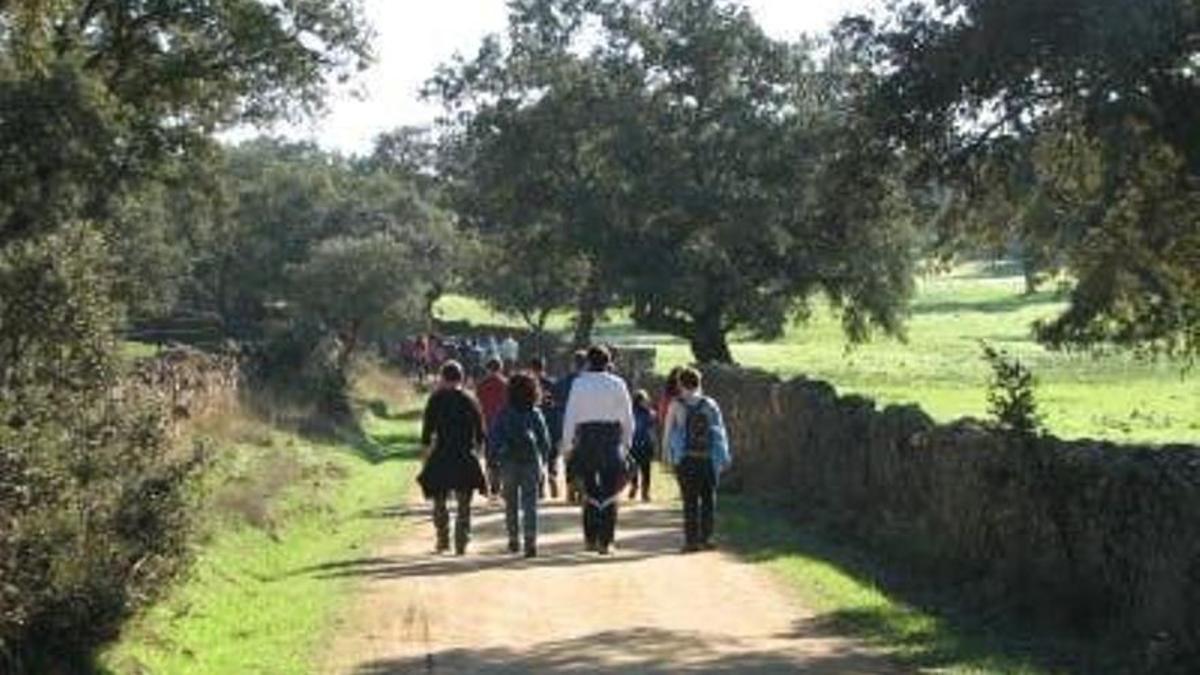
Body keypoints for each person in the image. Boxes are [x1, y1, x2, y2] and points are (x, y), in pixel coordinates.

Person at [560, 346, 634, 555]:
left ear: (588, 362)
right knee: (610, 492)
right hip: (611, 438)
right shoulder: (618, 383)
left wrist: (567, 446)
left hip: (587, 439)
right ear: (608, 362)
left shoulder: (579, 383)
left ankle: (590, 538)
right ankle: (606, 541)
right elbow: (628, 418)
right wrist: (626, 444)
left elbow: (570, 416)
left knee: (590, 491)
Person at [416, 361, 488, 555]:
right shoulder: (469, 399)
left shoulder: (435, 399)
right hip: (464, 454)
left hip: (441, 453)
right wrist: (480, 455)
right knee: (464, 501)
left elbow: (426, 433)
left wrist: (424, 458)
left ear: (442, 377)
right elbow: (480, 432)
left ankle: (442, 537)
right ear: (461, 377)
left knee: (439, 499)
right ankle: (461, 539)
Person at [663, 367, 732, 553]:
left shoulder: (676, 405)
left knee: (689, 500)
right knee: (708, 499)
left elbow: (668, 432)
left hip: (686, 459)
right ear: (699, 383)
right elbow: (720, 432)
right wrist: (724, 457)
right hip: (707, 458)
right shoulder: (710, 404)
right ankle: (707, 538)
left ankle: (691, 541)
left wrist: (667, 457)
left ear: (680, 384)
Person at [489, 373, 552, 558]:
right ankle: (530, 541)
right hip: (531, 462)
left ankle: (513, 539)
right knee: (530, 503)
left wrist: (492, 460)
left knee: (511, 503)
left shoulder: (504, 412)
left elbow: (494, 437)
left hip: (508, 462)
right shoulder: (535, 413)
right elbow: (545, 441)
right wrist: (544, 461)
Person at [551, 350, 588, 503]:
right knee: (585, 457)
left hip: (565, 422)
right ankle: (583, 487)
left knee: (569, 457)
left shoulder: (562, 382)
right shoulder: (588, 382)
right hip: (585, 424)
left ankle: (570, 488)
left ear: (573, 364)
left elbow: (554, 402)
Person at [476, 358, 508, 499]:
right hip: (504, 425)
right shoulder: (506, 384)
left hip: (487, 424)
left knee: (490, 456)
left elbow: (478, 406)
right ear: (500, 368)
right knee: (504, 455)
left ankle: (493, 482)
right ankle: (501, 481)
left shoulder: (481, 385)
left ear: (488, 369)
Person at [528, 357, 560, 498]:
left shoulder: (528, 385)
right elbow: (557, 404)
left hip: (534, 423)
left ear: (531, 368)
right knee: (552, 452)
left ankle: (540, 485)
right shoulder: (552, 384)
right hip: (551, 421)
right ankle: (552, 474)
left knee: (537, 454)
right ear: (543, 368)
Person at [627, 389, 657, 502]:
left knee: (634, 469)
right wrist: (654, 443)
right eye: (645, 399)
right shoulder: (650, 413)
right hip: (644, 445)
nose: (647, 401)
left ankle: (636, 487)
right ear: (639, 401)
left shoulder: (630, 412)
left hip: (634, 445)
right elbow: (652, 431)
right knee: (645, 470)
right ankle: (644, 492)